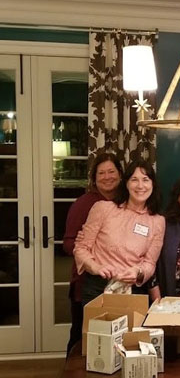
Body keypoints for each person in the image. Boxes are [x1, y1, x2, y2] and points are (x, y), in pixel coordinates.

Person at [74, 159, 165, 305]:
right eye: (134, 179)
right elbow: (81, 248)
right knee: (99, 328)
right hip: (98, 288)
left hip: (133, 290)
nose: (140, 186)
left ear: (152, 184)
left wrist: (138, 272)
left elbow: (150, 263)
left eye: (145, 180)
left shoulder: (158, 221)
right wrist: (97, 267)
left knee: (132, 328)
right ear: (126, 183)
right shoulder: (103, 209)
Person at [63, 152, 123, 355]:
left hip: (116, 282)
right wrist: (93, 259)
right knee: (81, 336)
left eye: (111, 172)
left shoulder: (126, 202)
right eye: (101, 173)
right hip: (86, 281)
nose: (107, 177)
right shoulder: (84, 203)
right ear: (94, 178)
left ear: (120, 175)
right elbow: (68, 242)